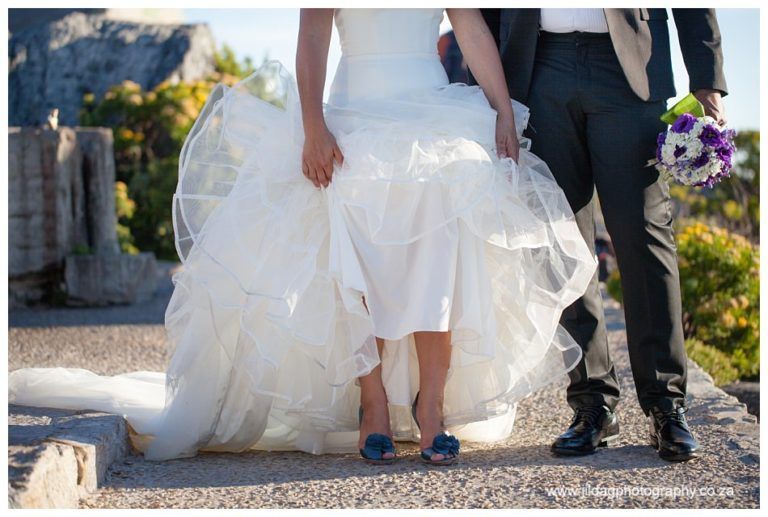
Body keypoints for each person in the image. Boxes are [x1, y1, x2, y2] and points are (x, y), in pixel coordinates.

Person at [9, 8, 596, 465]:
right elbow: (312, 35)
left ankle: (433, 409)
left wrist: (499, 108)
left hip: (432, 114)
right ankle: (372, 406)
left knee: (437, 254)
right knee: (358, 261)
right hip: (354, 113)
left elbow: (469, 24)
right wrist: (313, 125)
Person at [473, 8, 728, 462]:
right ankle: (593, 404)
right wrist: (484, 96)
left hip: (630, 65)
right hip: (536, 65)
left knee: (643, 238)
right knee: (562, 237)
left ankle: (665, 404)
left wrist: (706, 79)